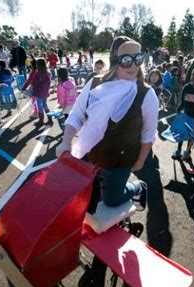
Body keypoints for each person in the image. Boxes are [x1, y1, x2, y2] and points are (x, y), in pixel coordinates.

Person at [55, 36, 159, 211]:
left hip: (121, 160)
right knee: (88, 202)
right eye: (126, 60)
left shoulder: (146, 94)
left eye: (138, 59)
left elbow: (148, 133)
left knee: (111, 200)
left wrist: (140, 161)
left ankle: (137, 187)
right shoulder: (95, 83)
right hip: (92, 154)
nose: (133, 66)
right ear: (115, 61)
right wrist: (66, 141)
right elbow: (76, 115)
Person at [172, 66, 194, 160]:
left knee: (191, 135)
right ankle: (178, 150)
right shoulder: (187, 87)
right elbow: (183, 101)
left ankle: (188, 151)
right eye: (192, 74)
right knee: (181, 132)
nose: (193, 76)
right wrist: (179, 109)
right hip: (186, 115)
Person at [21, 58, 52, 127]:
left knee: (40, 107)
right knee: (45, 106)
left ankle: (41, 121)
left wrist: (25, 88)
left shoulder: (38, 73)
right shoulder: (48, 72)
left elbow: (33, 83)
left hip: (38, 92)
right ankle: (50, 120)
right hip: (45, 92)